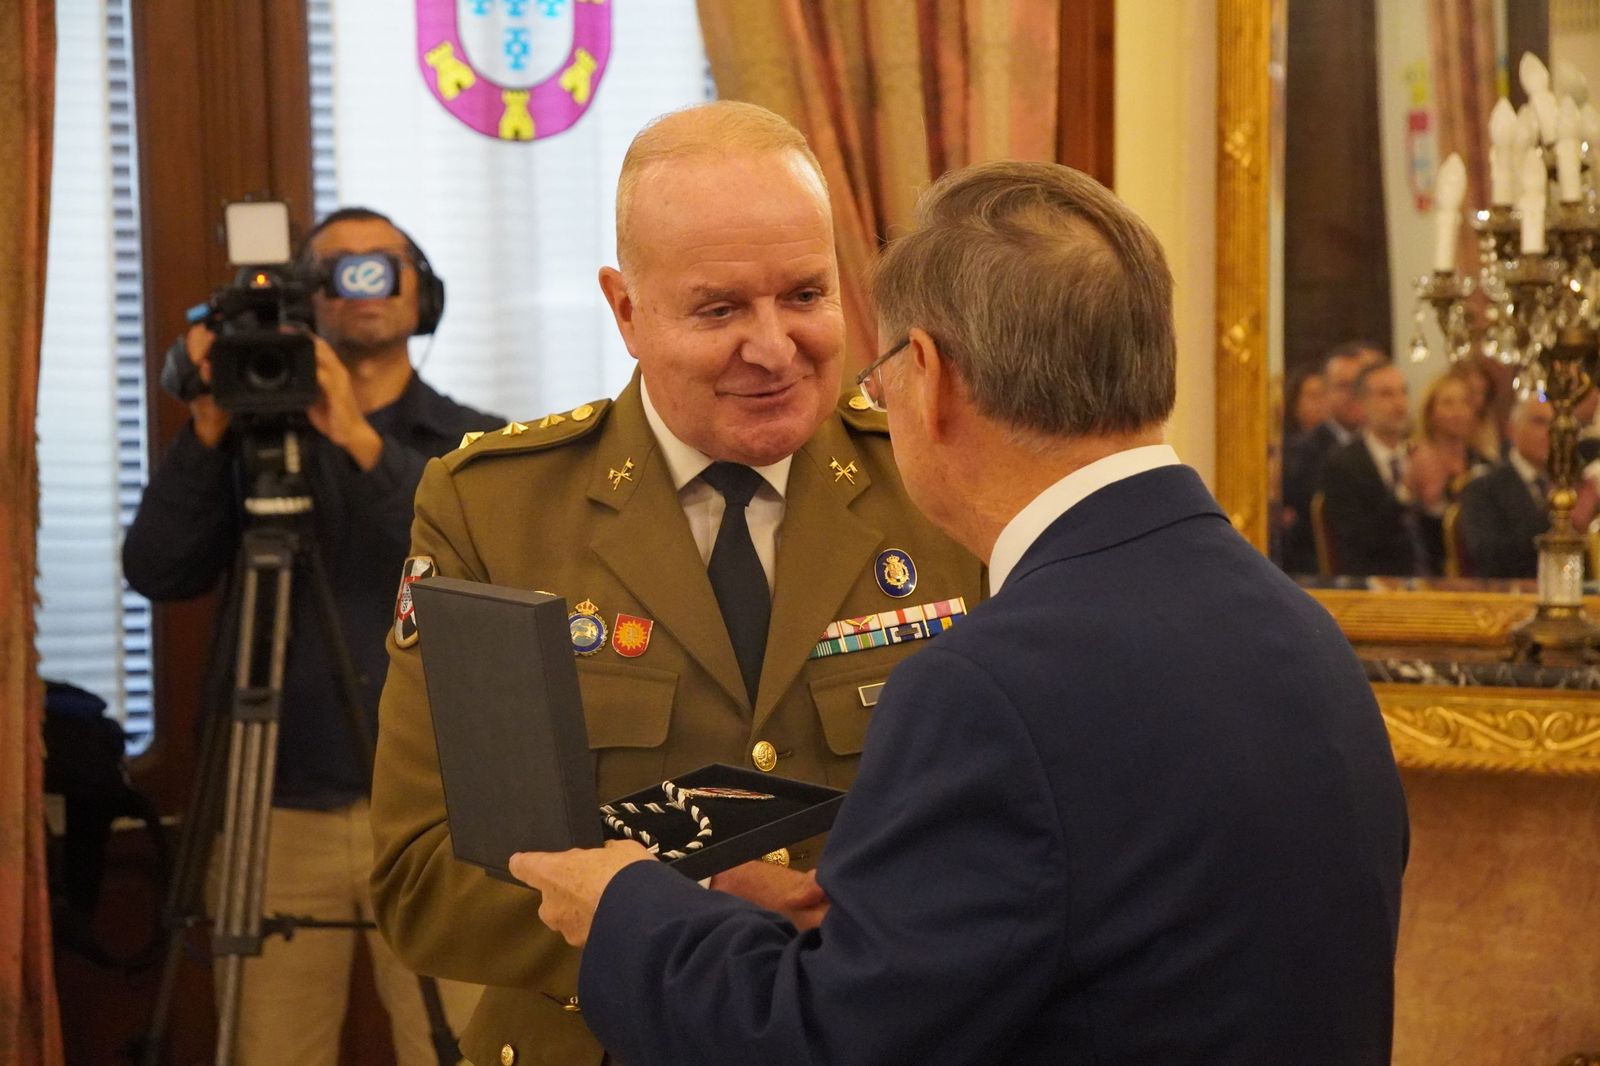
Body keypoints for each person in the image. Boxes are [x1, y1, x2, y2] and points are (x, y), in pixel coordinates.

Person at [509, 161, 1409, 1065]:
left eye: (881, 375)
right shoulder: (1299, 625)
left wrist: (627, 907)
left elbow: (820, 1044)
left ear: (930, 377)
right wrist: (872, 914)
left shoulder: (987, 689)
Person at [367, 102, 985, 1066]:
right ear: (625, 310)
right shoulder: (494, 513)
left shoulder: (942, 487)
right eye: (720, 309)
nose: (774, 347)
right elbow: (423, 879)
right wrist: (681, 922)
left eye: (805, 294)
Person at [123, 207, 499, 1065]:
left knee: (465, 1049)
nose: (361, 283)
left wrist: (356, 438)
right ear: (306, 301)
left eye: (382, 265)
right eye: (335, 271)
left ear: (423, 294)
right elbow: (156, 569)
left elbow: (479, 568)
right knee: (270, 1050)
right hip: (274, 810)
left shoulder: (469, 446)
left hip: (439, 813)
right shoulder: (241, 442)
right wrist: (209, 428)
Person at [1280, 341, 1384, 572]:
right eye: (1344, 386)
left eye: (1359, 385)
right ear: (1325, 393)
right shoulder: (1301, 453)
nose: (1354, 394)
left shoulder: (1385, 447)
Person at [1318, 361, 1421, 575]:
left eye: (1403, 392)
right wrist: (1403, 493)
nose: (1399, 403)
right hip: (1371, 578)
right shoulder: (1343, 463)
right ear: (1362, 404)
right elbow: (1359, 538)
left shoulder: (1418, 453)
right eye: (1386, 394)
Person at [1406, 370, 1494, 573]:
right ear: (1430, 412)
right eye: (1448, 403)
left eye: (1464, 403)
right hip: (1427, 561)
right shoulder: (1415, 458)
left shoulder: (1483, 463)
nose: (1458, 411)